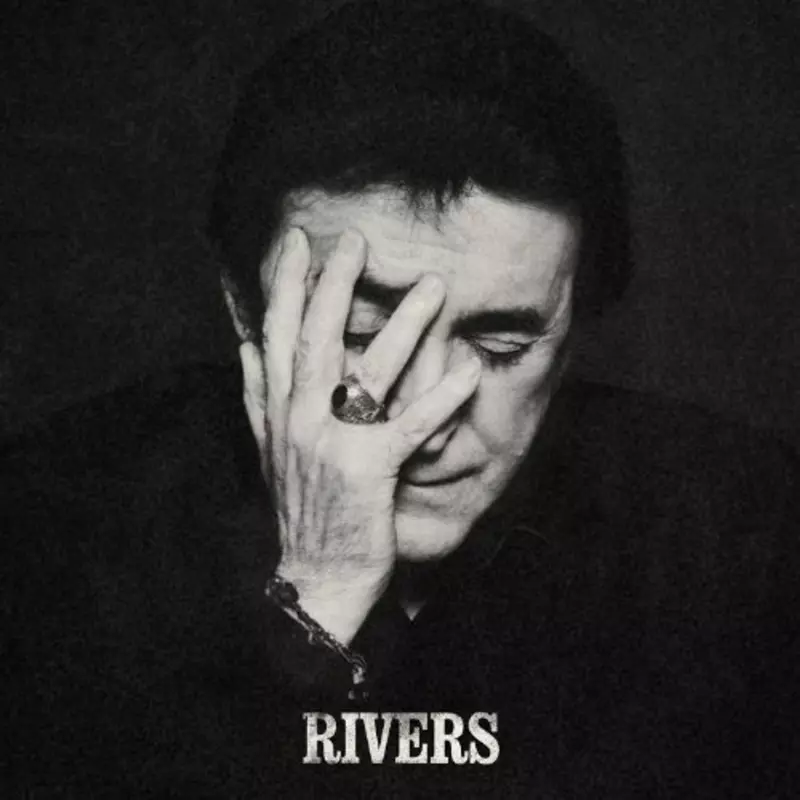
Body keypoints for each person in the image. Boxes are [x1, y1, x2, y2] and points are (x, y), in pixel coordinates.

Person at [3, 0, 798, 797]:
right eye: (361, 334)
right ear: (245, 309)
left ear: (570, 338)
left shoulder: (741, 540)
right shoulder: (51, 533)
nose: (427, 419)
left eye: (500, 348)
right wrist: (319, 593)